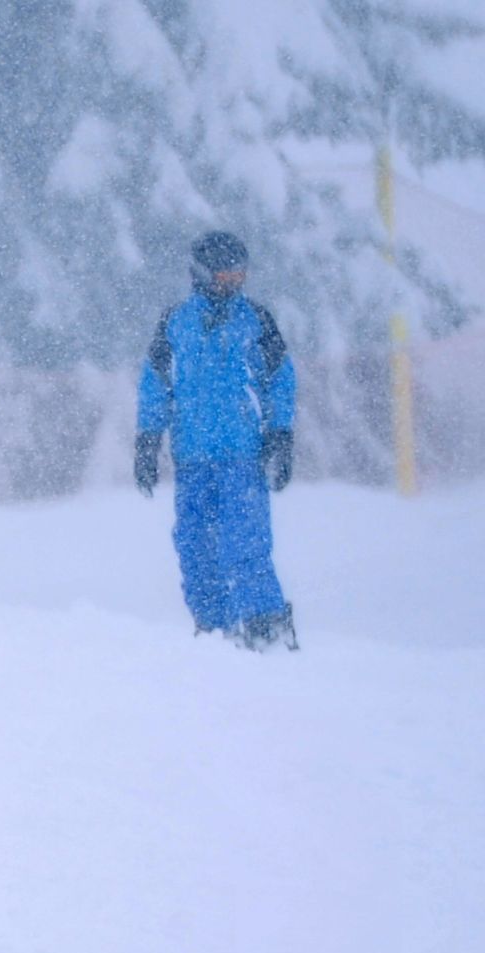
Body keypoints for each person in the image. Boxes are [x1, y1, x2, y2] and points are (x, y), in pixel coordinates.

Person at [137, 231, 297, 650]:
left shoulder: (255, 321)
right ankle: (214, 629)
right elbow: (155, 384)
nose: (234, 282)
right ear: (204, 274)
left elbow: (281, 379)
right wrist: (147, 440)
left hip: (242, 458)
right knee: (195, 548)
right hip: (192, 461)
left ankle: (266, 626)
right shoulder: (176, 323)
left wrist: (280, 433)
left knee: (245, 545)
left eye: (240, 273)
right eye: (226, 273)